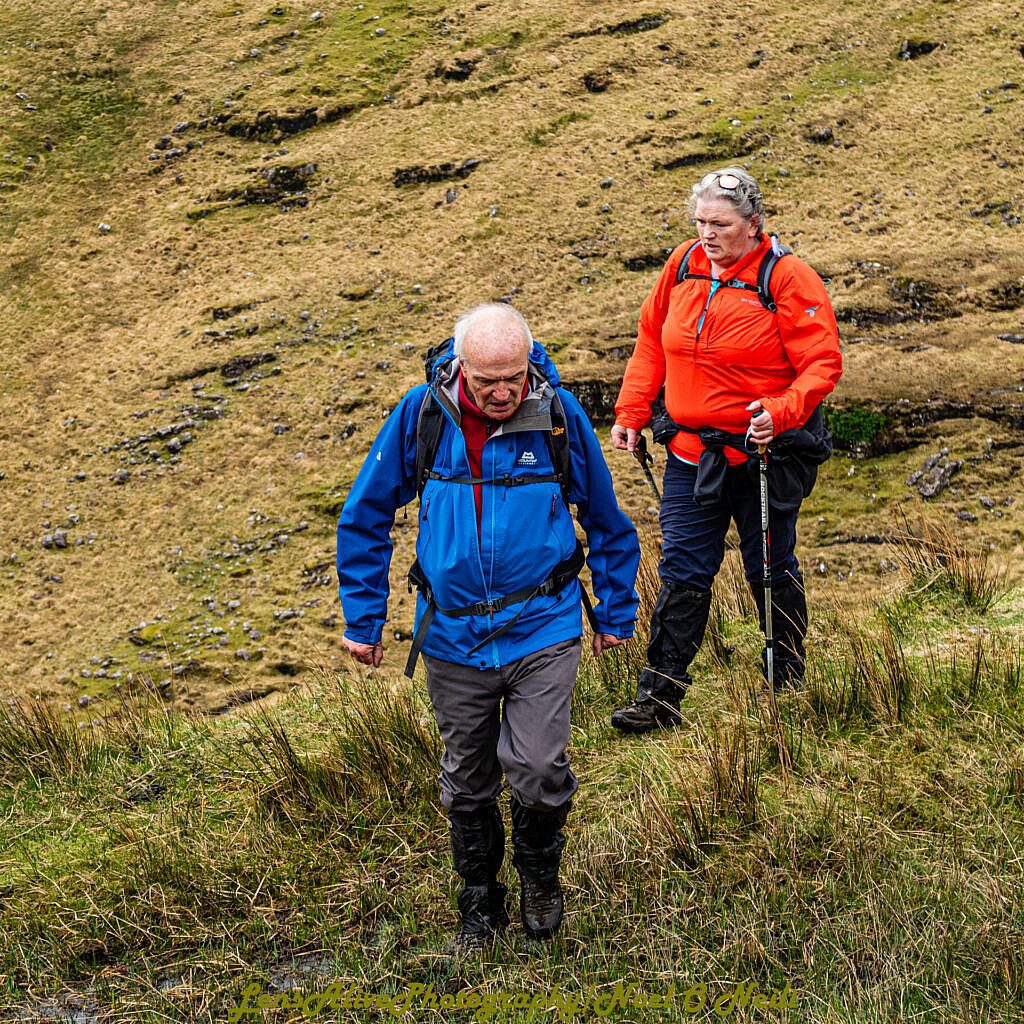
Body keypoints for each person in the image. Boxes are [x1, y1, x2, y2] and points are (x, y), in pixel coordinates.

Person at [336, 303, 640, 948]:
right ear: (458, 369)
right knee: (467, 777)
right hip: (451, 635)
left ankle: (539, 879)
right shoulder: (421, 416)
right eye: (486, 382)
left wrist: (615, 613)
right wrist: (364, 619)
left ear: (531, 363)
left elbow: (609, 523)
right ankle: (480, 903)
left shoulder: (559, 416)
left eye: (515, 378)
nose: (503, 393)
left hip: (542, 625)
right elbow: (364, 516)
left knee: (535, 765)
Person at [609, 166, 842, 734]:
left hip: (764, 457)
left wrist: (781, 412)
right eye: (700, 221)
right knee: (683, 570)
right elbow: (650, 342)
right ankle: (659, 700)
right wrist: (632, 413)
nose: (707, 234)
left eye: (721, 223)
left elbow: (822, 363)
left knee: (769, 568)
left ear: (753, 223)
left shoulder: (787, 278)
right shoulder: (683, 264)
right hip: (691, 454)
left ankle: (785, 684)